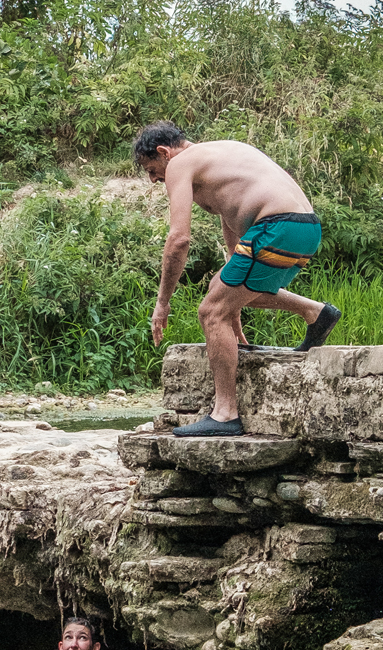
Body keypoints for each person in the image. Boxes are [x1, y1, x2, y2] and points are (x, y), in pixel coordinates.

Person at [133, 122, 342, 438]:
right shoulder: (219, 155)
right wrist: (231, 301)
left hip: (277, 225)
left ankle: (225, 415)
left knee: (210, 312)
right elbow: (231, 222)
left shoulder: (179, 164)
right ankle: (316, 313)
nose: (153, 179)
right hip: (306, 228)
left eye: (151, 170)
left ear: (164, 152)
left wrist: (162, 303)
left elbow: (178, 239)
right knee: (219, 290)